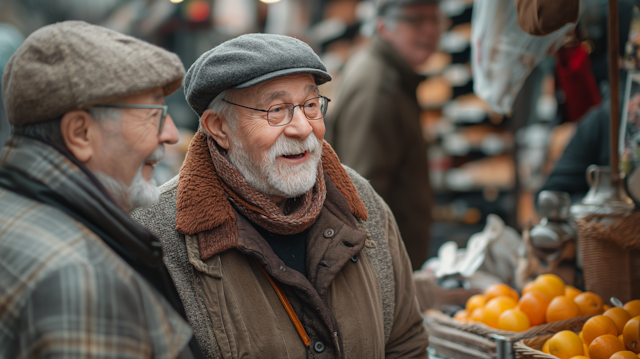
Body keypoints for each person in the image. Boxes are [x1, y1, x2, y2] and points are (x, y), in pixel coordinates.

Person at [132, 33, 429, 358]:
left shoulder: (361, 202)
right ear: (218, 127)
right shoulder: (155, 237)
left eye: (311, 105)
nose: (303, 128)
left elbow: (405, 342)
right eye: (276, 110)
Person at [0, 21, 201, 358]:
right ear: (80, 133)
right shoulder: (82, 280)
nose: (169, 134)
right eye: (154, 113)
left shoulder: (17, 207)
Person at [325, 0, 440, 270]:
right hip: (386, 266)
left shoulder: (390, 74)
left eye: (435, 20)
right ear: (383, 28)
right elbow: (361, 195)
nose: (430, 30)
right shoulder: (378, 89)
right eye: (415, 20)